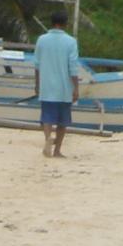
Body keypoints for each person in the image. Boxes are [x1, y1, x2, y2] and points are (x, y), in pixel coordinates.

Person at [32, 9, 81, 158]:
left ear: (51, 23)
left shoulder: (41, 40)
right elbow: (73, 67)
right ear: (65, 24)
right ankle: (57, 150)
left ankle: (48, 139)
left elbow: (37, 65)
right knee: (62, 121)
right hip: (64, 88)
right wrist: (76, 88)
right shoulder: (71, 42)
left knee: (47, 117)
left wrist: (37, 84)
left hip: (47, 86)